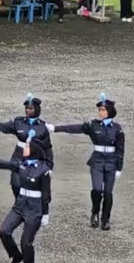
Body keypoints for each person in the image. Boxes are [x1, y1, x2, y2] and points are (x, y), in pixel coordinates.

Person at [0, 136, 52, 263]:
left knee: (26, 242)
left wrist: (45, 214)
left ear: (34, 151)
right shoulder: (21, 164)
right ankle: (16, 256)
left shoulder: (43, 170)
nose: (24, 148)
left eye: (27, 147)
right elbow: (5, 164)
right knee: (4, 231)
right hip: (20, 205)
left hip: (35, 209)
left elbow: (46, 194)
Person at [49, 94, 125, 230]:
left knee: (108, 192)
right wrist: (56, 128)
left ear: (110, 112)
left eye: (103, 110)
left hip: (111, 163)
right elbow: (75, 128)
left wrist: (119, 168)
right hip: (97, 162)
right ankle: (95, 213)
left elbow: (120, 150)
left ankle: (105, 218)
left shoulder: (117, 129)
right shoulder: (93, 125)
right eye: (100, 110)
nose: (100, 112)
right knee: (97, 189)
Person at [0, 95, 53, 197]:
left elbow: (48, 148)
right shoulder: (18, 123)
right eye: (26, 108)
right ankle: (19, 205)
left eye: (30, 108)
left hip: (36, 158)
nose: (27, 111)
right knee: (16, 184)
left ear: (37, 109)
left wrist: (49, 167)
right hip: (19, 156)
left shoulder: (43, 127)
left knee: (33, 185)